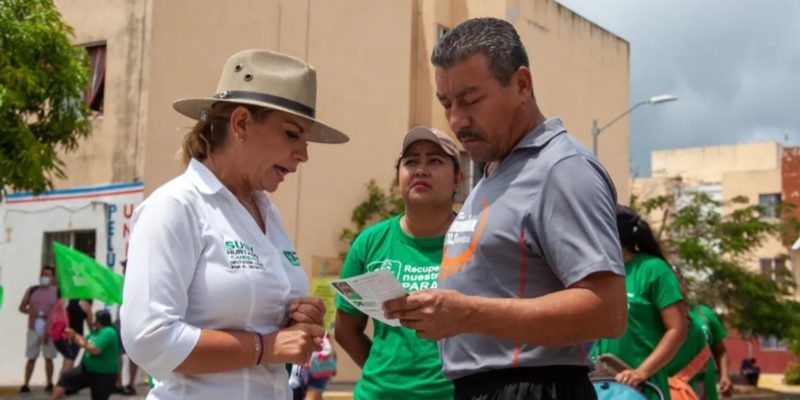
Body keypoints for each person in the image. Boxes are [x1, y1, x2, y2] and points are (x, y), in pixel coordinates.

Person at [383, 18, 627, 400]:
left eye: (471, 100)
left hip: (535, 388)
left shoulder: (562, 169)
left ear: (522, 84)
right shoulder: (492, 174)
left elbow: (607, 311)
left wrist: (468, 313)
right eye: (446, 103)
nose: (456, 120)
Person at [120, 49, 348, 400]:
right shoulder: (175, 207)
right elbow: (148, 338)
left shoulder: (267, 213)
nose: (304, 153)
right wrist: (265, 346)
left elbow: (260, 321)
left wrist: (299, 320)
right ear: (241, 124)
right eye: (292, 134)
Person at [336, 127, 461, 399]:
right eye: (411, 161)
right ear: (398, 177)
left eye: (435, 161)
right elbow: (346, 331)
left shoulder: (477, 241)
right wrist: (384, 375)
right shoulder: (368, 243)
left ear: (458, 179)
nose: (421, 170)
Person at [591, 205, 687, 400]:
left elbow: (677, 330)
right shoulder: (597, 273)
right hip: (601, 387)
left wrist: (642, 371)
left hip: (643, 389)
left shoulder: (653, 269)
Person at [49, 310, 121, 400]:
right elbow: (84, 340)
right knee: (66, 378)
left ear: (99, 321)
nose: (94, 321)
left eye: (96, 319)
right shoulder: (96, 332)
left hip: (103, 374)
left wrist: (80, 342)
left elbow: (95, 350)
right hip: (87, 370)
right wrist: (73, 334)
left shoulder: (109, 332)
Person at [18, 265, 60, 396]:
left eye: (48, 275)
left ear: (53, 277)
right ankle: (25, 384)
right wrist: (31, 311)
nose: (44, 277)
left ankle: (49, 383)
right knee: (31, 357)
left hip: (49, 330)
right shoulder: (32, 290)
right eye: (43, 274)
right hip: (33, 329)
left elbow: (60, 310)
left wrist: (51, 316)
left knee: (49, 358)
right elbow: (21, 307)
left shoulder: (57, 292)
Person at [114, 261, 139, 395]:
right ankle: (118, 383)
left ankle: (131, 384)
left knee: (133, 356)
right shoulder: (119, 282)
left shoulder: (138, 282)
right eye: (123, 266)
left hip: (133, 322)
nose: (124, 269)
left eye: (126, 266)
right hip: (119, 321)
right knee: (117, 354)